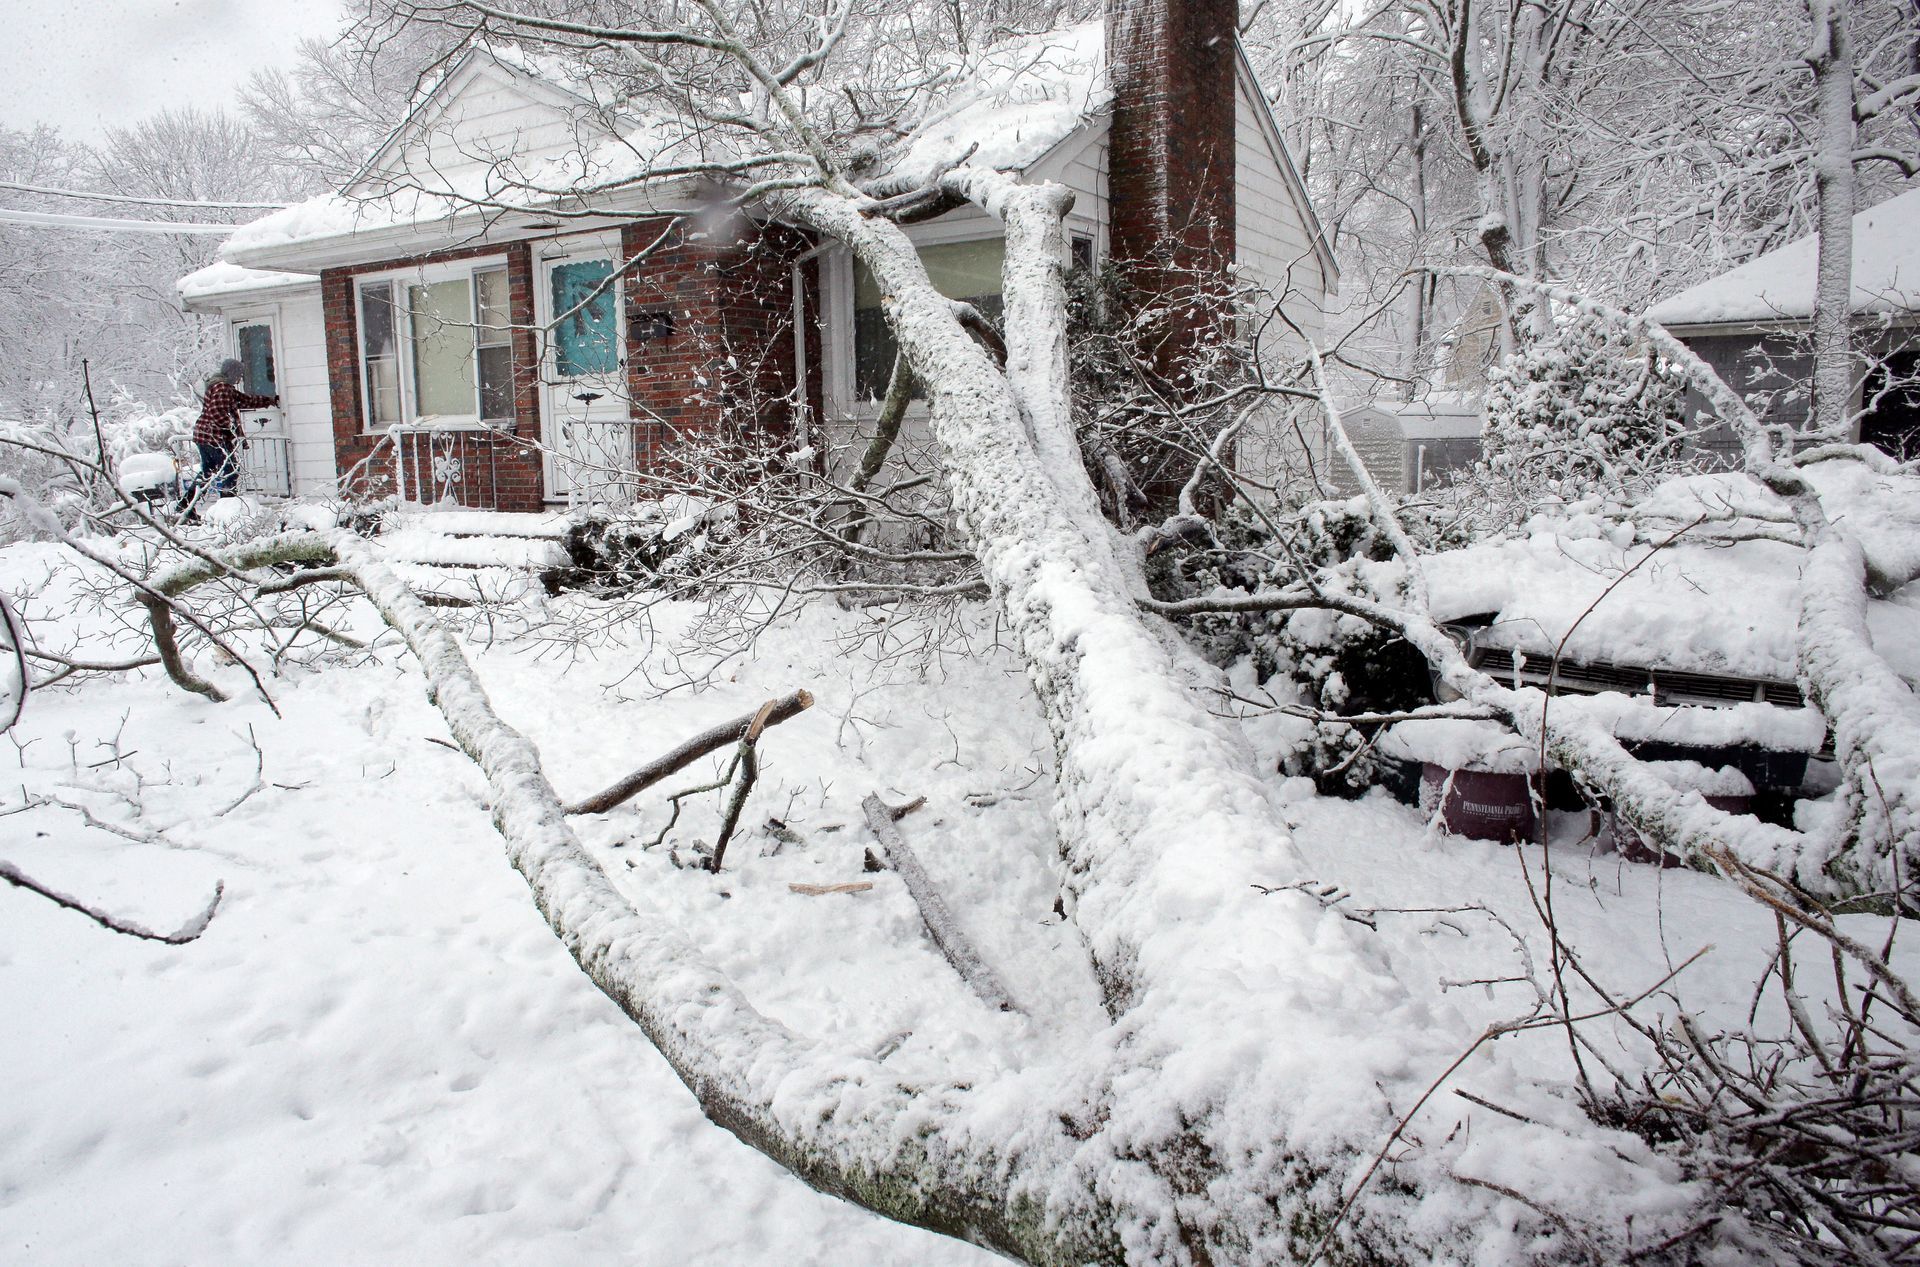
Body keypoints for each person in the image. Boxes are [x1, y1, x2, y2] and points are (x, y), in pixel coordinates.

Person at [177, 358, 277, 521]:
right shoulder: (222, 388)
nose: (240, 378)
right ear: (231, 373)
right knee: (231, 470)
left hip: (204, 435)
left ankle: (186, 505)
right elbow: (217, 413)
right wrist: (230, 427)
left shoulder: (220, 386)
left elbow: (245, 400)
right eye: (239, 374)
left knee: (208, 473)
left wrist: (269, 401)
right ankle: (226, 509)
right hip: (213, 437)